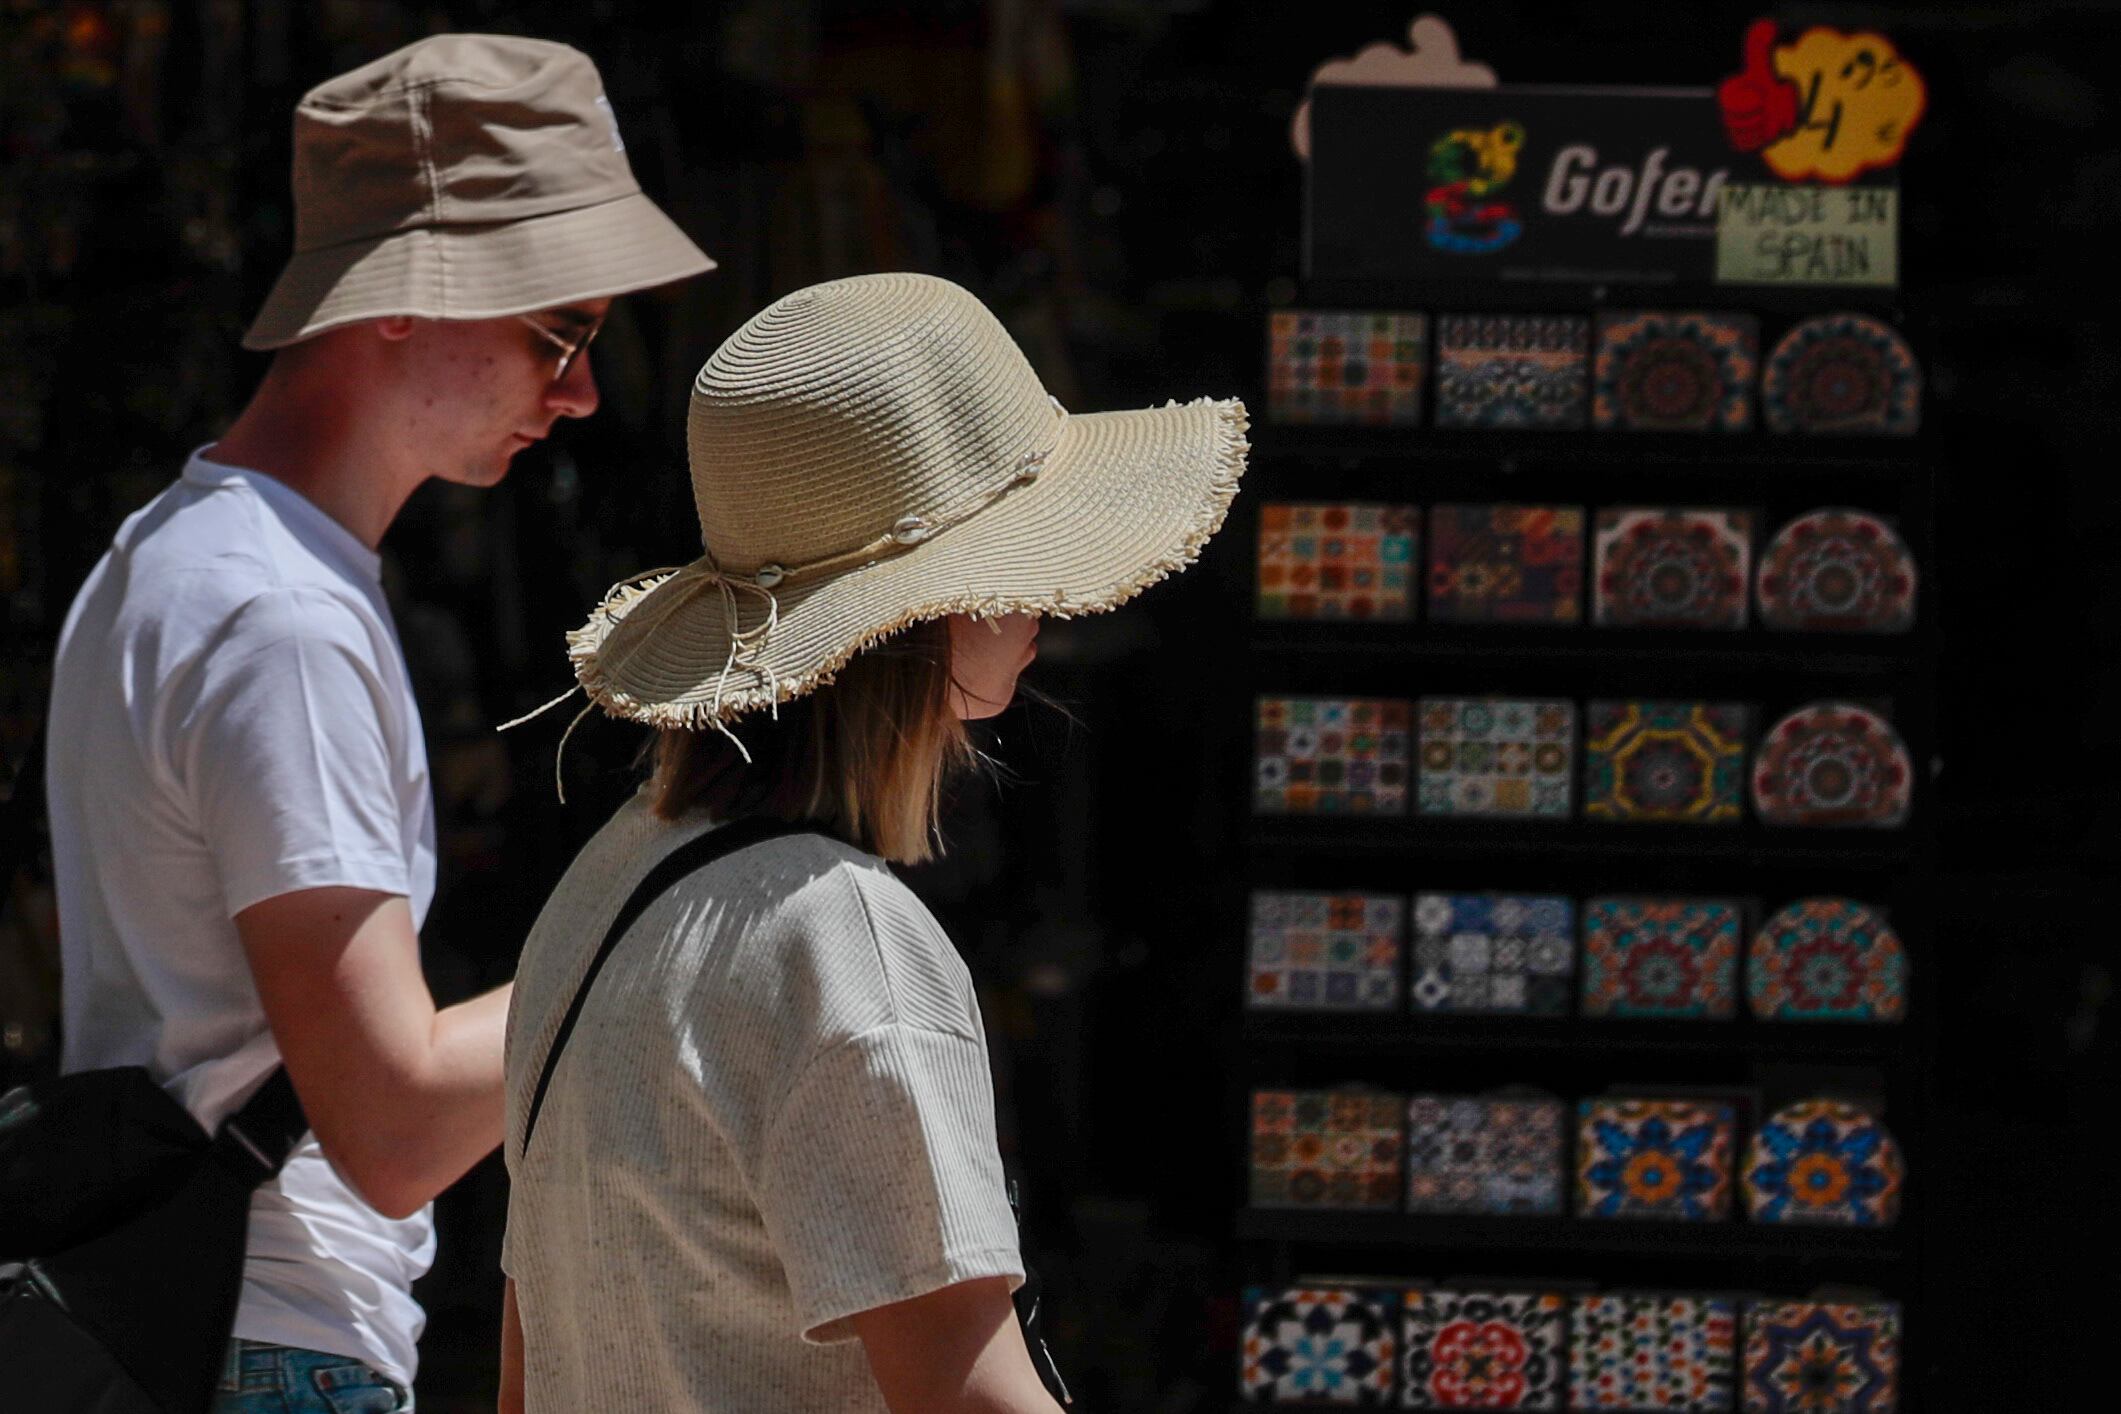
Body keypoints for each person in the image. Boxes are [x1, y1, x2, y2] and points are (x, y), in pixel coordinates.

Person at [42, 33, 712, 1412]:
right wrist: (683, 932)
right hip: (269, 1342)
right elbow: (393, 1124)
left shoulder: (172, 554)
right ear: (411, 292)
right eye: (559, 333)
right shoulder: (277, 616)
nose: (581, 392)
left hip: (212, 1325)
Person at [497, 271, 1246, 1412]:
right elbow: (972, 1395)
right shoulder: (842, 937)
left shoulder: (609, 879)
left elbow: (526, 1369)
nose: (1043, 608)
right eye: (1022, 561)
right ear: (946, 604)